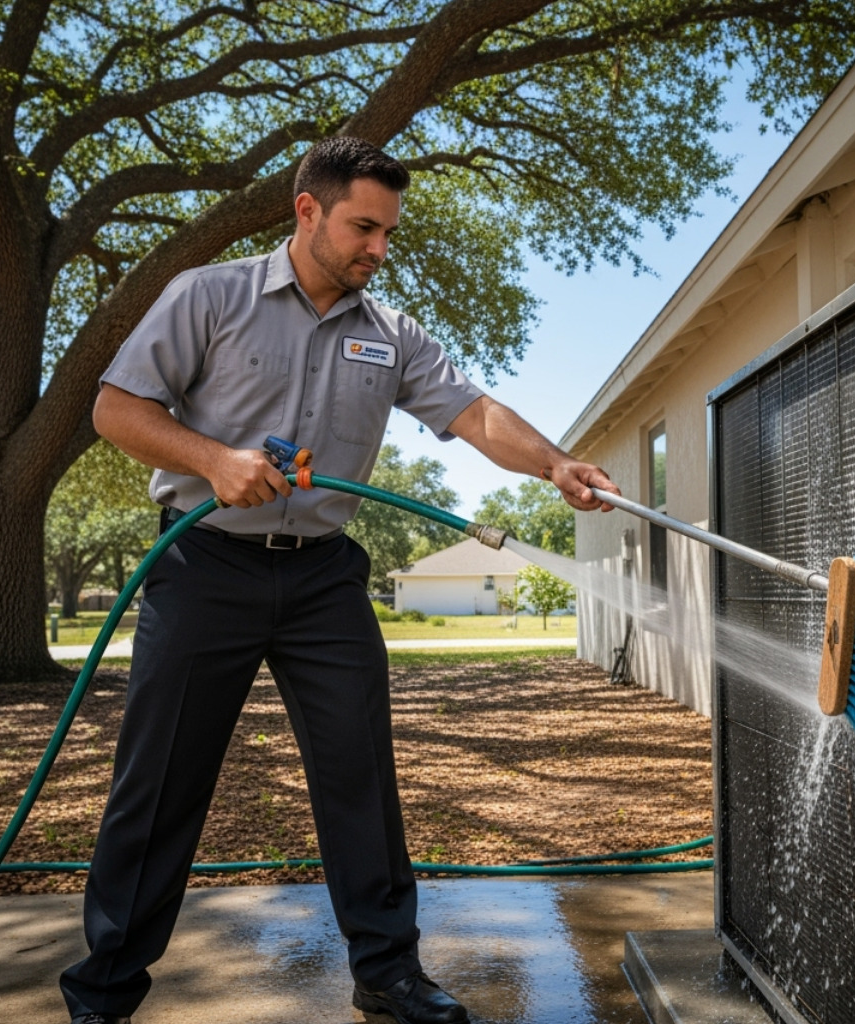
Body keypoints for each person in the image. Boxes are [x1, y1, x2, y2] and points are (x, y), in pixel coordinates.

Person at [60, 136, 619, 1024]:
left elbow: (472, 412)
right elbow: (114, 407)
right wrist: (213, 460)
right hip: (204, 567)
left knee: (360, 773)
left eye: (388, 232)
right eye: (364, 226)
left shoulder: (388, 335)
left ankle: (388, 973)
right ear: (307, 210)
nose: (378, 248)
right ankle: (106, 985)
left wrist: (552, 463)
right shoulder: (210, 295)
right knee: (163, 778)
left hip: (323, 580)